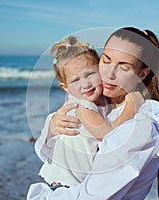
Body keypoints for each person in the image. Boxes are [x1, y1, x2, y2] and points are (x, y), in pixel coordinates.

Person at [28, 27, 159, 200]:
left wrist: (131, 107)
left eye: (123, 67)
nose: (109, 74)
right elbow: (45, 150)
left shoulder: (144, 121)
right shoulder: (96, 101)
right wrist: (53, 126)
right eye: (106, 60)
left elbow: (95, 193)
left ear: (142, 74)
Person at [38, 36, 145, 188]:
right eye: (75, 80)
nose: (85, 84)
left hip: (76, 185)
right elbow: (110, 138)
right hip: (66, 188)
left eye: (90, 74)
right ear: (65, 87)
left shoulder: (100, 102)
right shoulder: (82, 107)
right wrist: (131, 105)